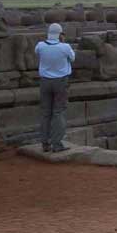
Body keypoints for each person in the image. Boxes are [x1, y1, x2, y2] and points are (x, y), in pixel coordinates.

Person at [34, 23, 77, 151]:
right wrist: (62, 42)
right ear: (60, 34)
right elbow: (72, 58)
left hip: (45, 81)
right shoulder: (65, 47)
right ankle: (57, 143)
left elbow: (37, 53)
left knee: (45, 112)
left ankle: (45, 143)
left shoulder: (40, 46)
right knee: (58, 112)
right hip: (61, 82)